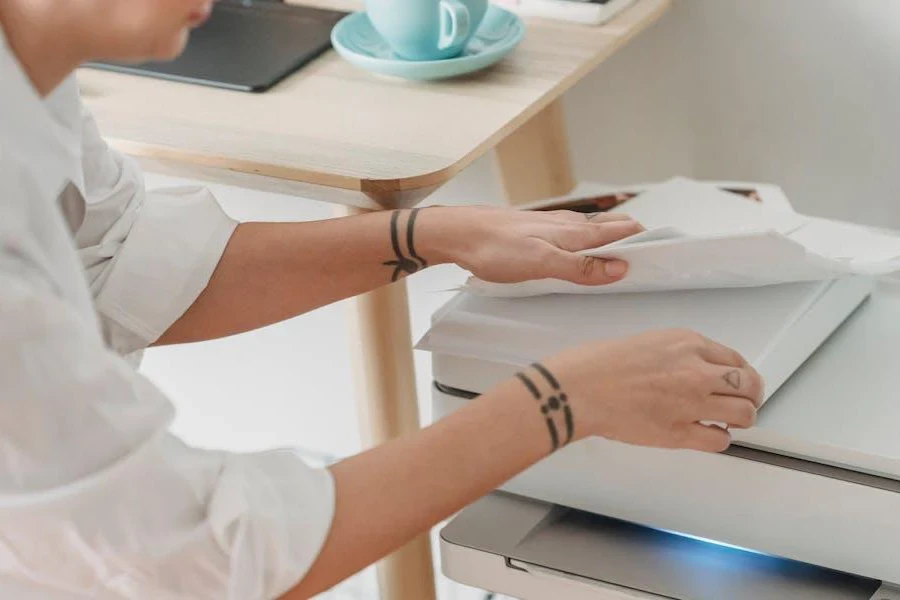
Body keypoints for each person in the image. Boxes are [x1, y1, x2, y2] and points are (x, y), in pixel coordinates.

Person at [0, 0, 763, 598]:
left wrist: (431, 234)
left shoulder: (33, 80)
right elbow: (204, 557)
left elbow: (121, 265)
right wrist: (560, 399)